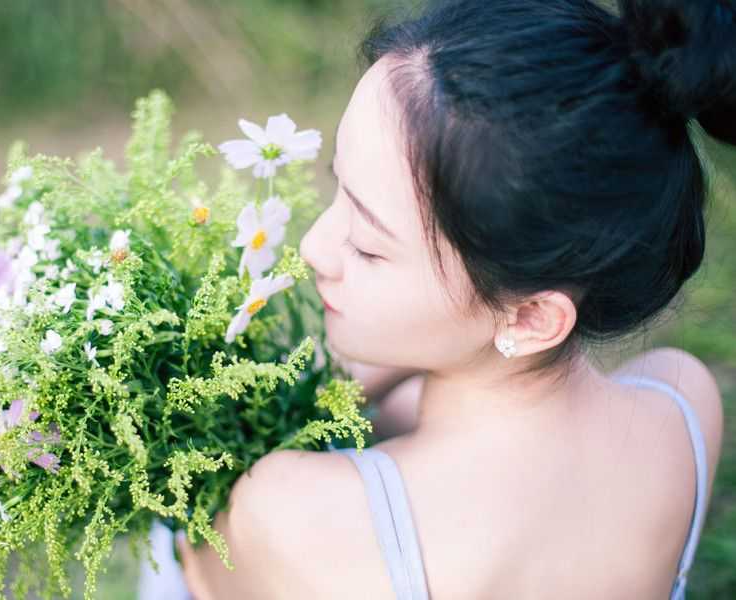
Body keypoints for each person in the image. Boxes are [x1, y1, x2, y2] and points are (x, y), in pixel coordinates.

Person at [171, 0, 732, 598]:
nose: (313, 247)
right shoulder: (681, 406)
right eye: (338, 186)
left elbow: (190, 565)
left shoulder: (292, 514)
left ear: (533, 316)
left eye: (367, 246)